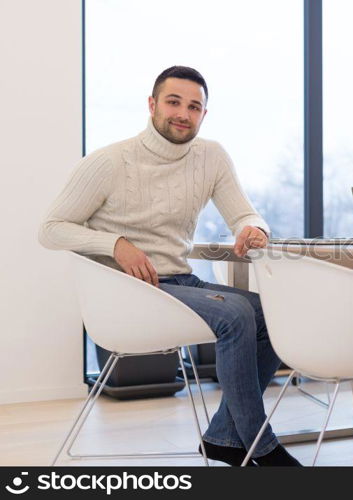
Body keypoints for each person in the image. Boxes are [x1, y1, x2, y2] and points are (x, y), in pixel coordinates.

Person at [38, 66, 301, 466]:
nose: (183, 113)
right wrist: (115, 244)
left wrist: (254, 229)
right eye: (174, 102)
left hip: (180, 281)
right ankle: (260, 448)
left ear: (203, 115)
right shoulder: (110, 162)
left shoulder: (210, 156)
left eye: (194, 106)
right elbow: (51, 229)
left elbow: (246, 214)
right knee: (234, 315)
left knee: (269, 312)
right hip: (130, 289)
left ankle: (223, 437)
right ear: (152, 104)